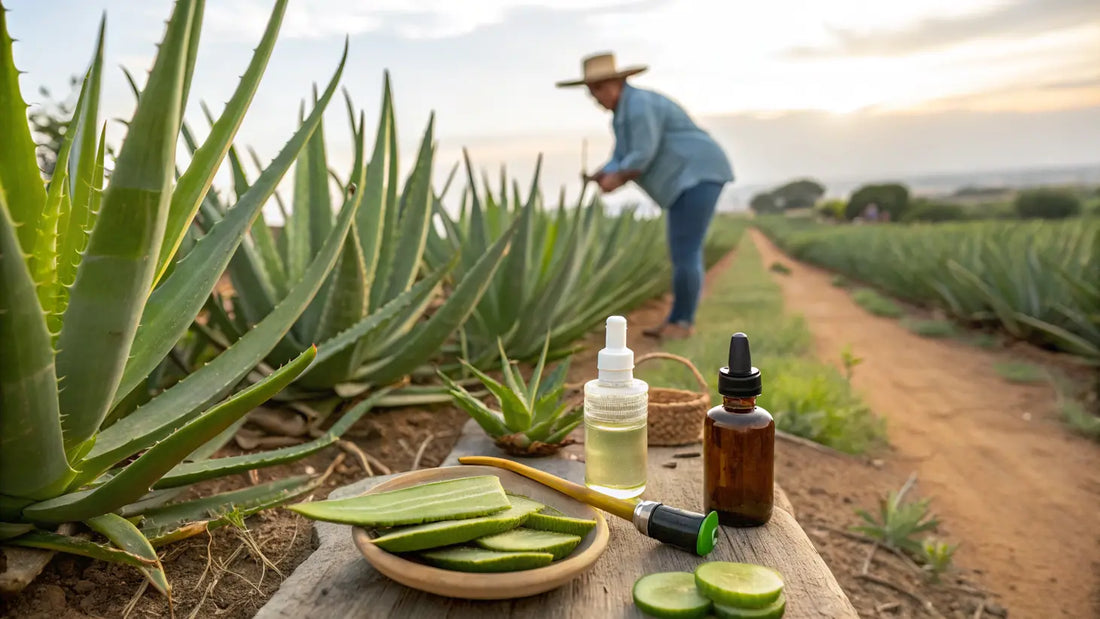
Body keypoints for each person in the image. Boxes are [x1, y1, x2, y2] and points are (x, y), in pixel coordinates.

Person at [557, 52, 733, 339]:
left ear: (617, 82)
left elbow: (641, 154)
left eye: (599, 89)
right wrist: (600, 174)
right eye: (591, 91)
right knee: (681, 251)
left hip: (697, 174)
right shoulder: (621, 116)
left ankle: (683, 323)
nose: (595, 97)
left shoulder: (639, 105)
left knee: (686, 249)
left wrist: (617, 178)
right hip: (684, 182)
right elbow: (621, 157)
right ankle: (676, 319)